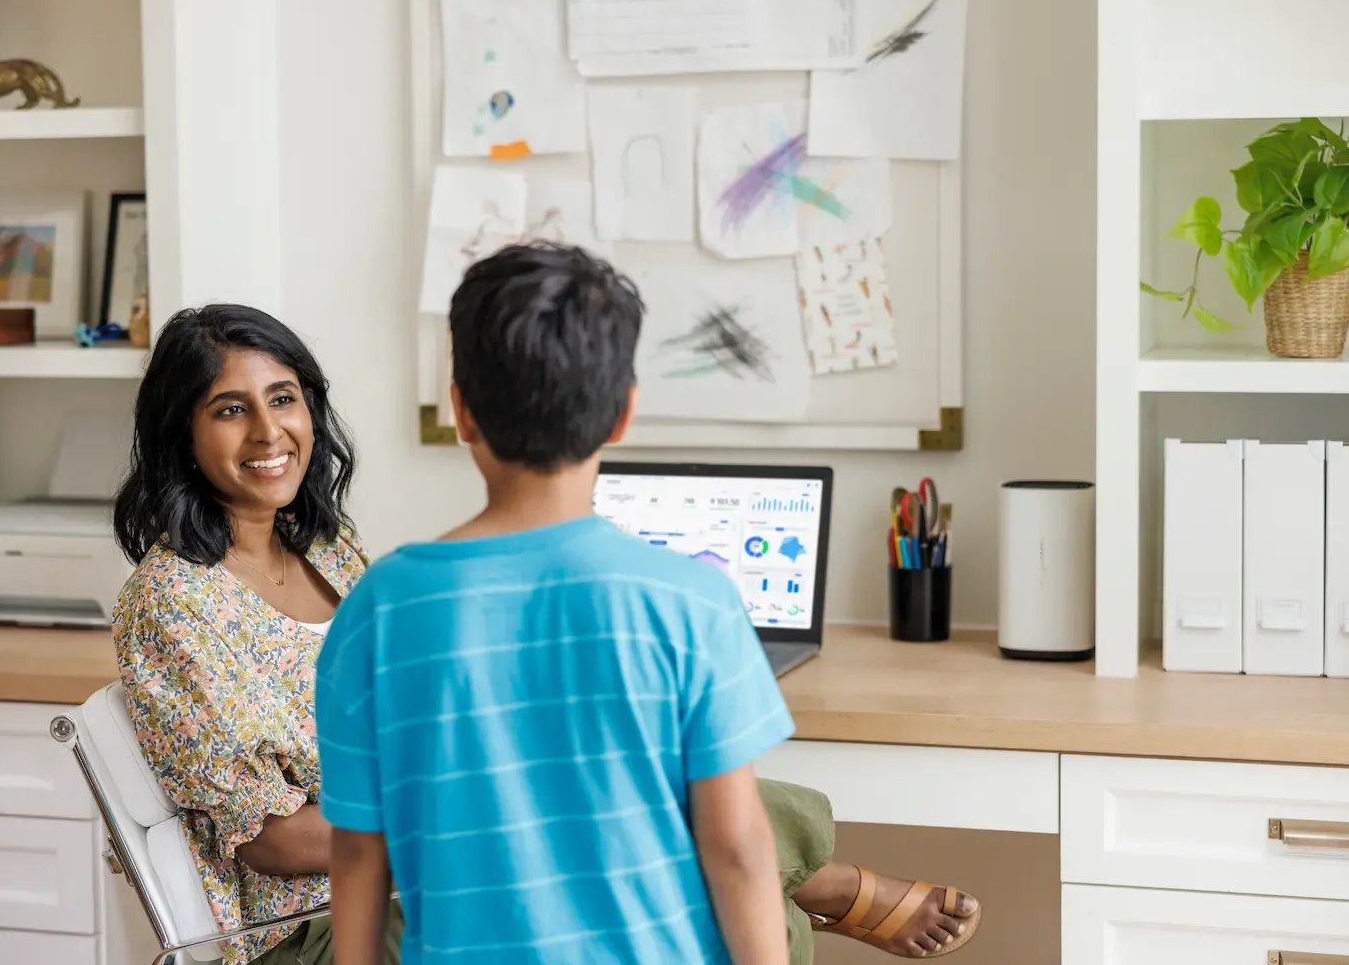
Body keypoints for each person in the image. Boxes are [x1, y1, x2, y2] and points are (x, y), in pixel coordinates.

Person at [112, 300, 981, 965]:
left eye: (284, 399)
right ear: (182, 432)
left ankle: (816, 888)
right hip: (303, 926)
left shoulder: (330, 548)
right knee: (700, 880)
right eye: (230, 409)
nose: (270, 433)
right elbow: (272, 840)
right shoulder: (172, 603)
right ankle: (829, 884)